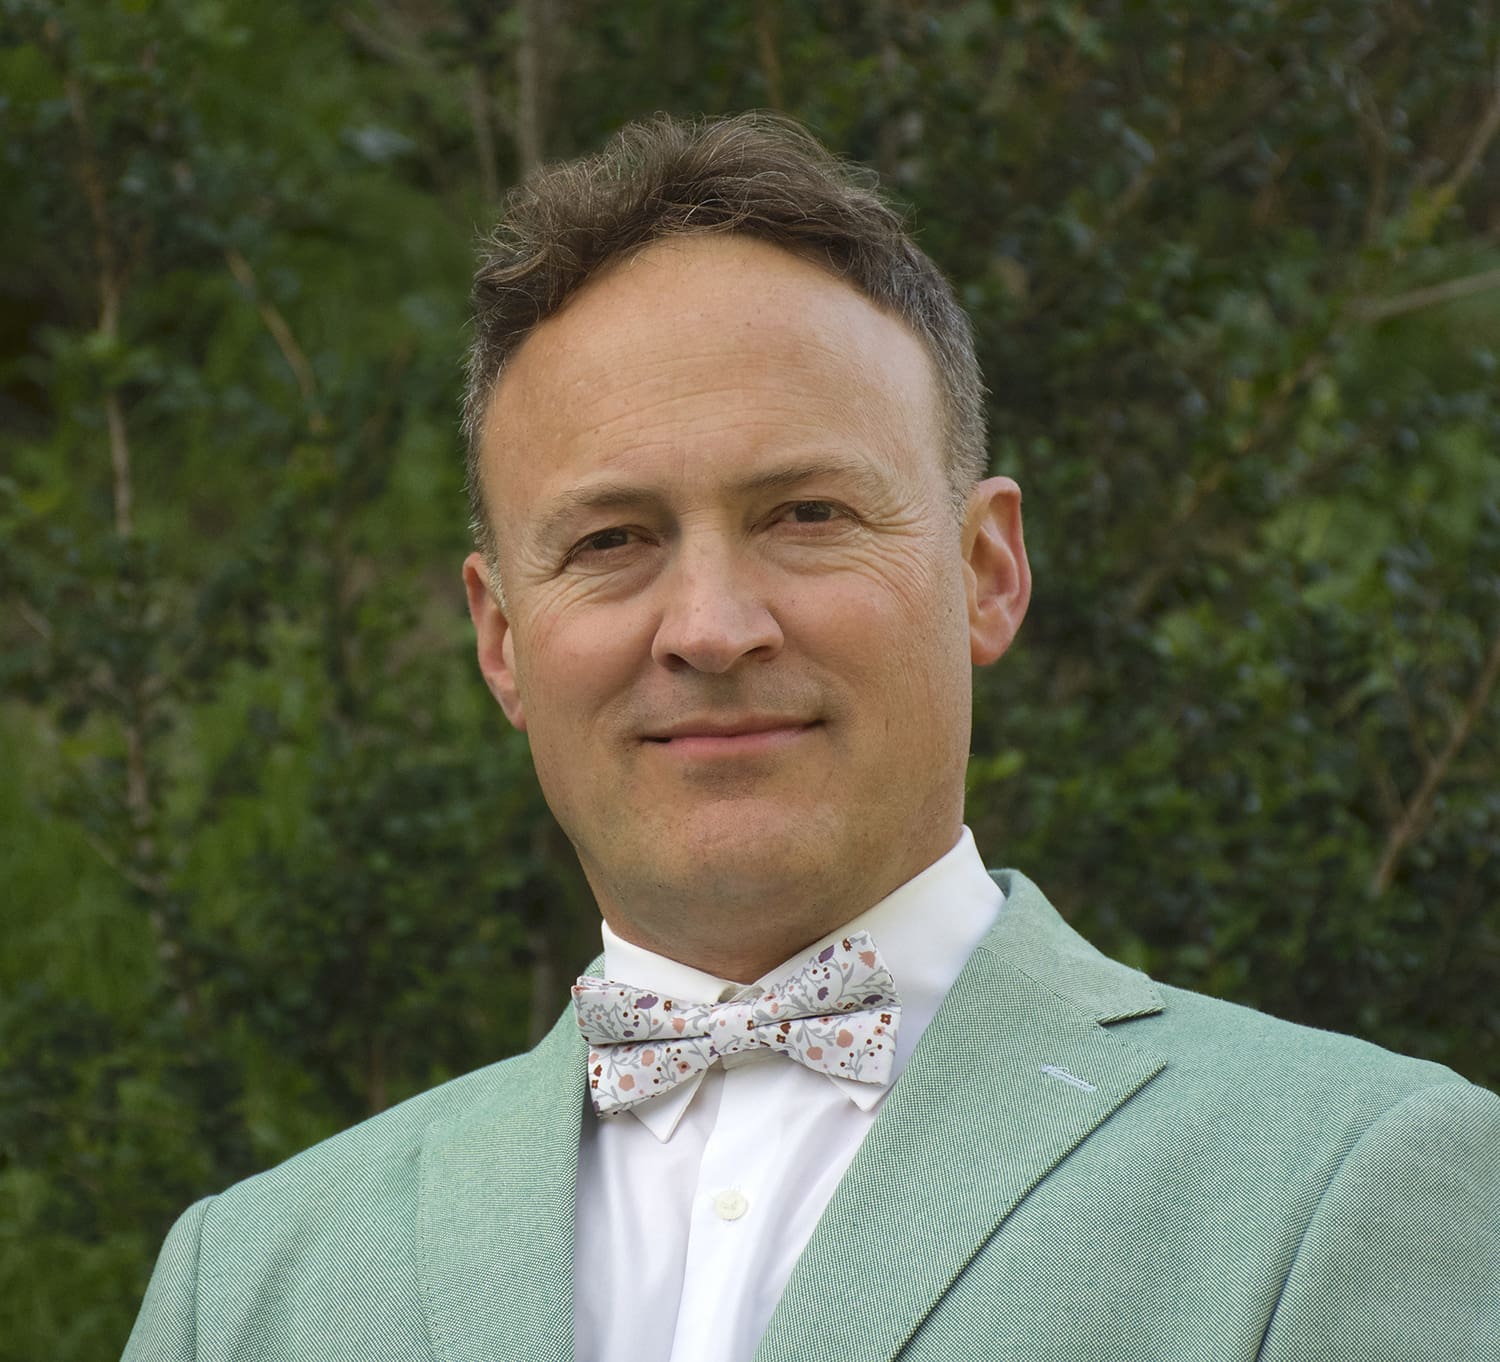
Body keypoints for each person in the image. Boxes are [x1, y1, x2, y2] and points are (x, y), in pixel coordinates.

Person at [124, 113, 1498, 1362]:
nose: (712, 628)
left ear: (988, 571)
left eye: (807, 515)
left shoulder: (1355, 1180)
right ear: (501, 641)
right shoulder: (243, 1288)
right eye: (612, 541)